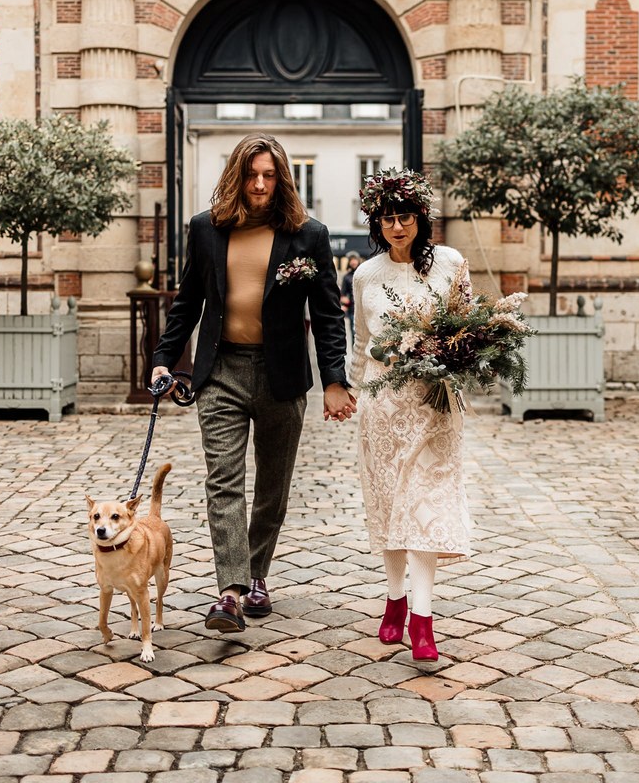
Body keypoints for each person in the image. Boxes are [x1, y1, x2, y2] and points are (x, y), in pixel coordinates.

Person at [152, 133, 356, 634]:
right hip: (220, 370)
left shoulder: (308, 233)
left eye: (268, 175)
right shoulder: (206, 229)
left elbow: (329, 315)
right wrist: (162, 358)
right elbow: (188, 303)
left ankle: (258, 573)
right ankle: (230, 592)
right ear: (236, 176)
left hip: (282, 375)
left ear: (281, 178)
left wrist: (334, 380)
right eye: (251, 174)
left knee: (272, 487)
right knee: (223, 480)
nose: (260, 184)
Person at [349, 169, 472, 661]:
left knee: (425, 503)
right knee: (387, 504)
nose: (396, 226)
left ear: (421, 218)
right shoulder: (365, 275)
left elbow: (468, 327)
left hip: (437, 404)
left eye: (404, 216)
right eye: (387, 218)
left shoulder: (450, 263)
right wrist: (349, 391)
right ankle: (394, 600)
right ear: (377, 223)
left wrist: (456, 362)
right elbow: (361, 342)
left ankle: (422, 618)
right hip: (383, 407)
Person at [340, 251, 362, 343]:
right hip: (353, 309)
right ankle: (355, 356)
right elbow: (343, 294)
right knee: (354, 334)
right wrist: (344, 303)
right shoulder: (346, 277)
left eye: (354, 260)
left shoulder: (363, 273)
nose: (353, 262)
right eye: (351, 260)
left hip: (364, 308)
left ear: (358, 261)